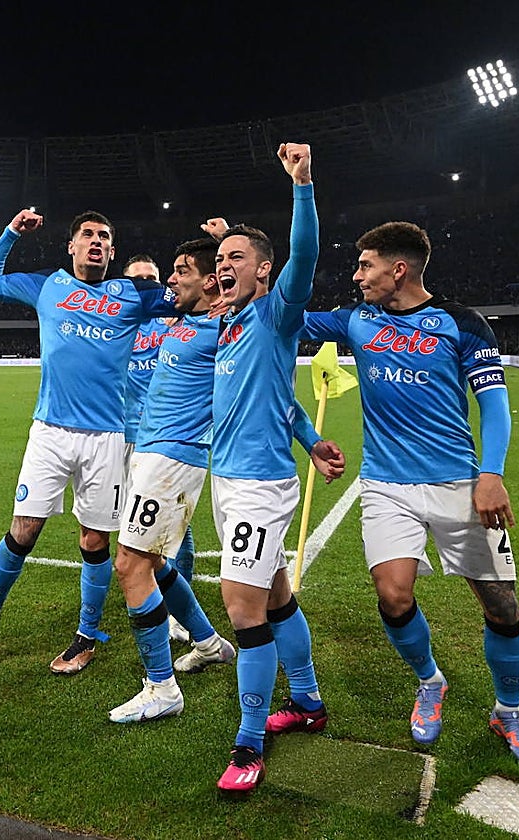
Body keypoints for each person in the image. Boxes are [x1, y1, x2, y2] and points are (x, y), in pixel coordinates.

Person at [300, 221, 519, 768]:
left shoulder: (462, 323)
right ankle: (430, 682)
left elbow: (494, 405)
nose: (357, 275)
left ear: (398, 269)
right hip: (388, 486)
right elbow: (287, 316)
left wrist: (492, 473)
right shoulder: (355, 320)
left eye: (365, 265)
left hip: (459, 483)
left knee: (502, 606)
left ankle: (508, 711)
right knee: (393, 595)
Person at [110, 237, 344, 725]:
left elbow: (274, 389)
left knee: (132, 566)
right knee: (161, 565)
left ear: (210, 284)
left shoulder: (222, 325)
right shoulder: (191, 322)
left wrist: (311, 439)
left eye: (180, 271)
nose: (170, 280)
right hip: (154, 454)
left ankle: (162, 687)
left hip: (177, 459)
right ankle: (214, 645)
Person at [0, 209, 179, 677]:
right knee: (24, 530)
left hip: (106, 438)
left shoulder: (135, 294)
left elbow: (189, 298)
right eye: (88, 235)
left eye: (105, 236)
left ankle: (86, 635)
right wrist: (10, 233)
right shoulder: (49, 285)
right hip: (50, 432)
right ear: (72, 246)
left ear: (113, 251)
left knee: (94, 539)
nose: (96, 241)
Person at [208, 143, 330, 794]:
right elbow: (278, 401)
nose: (223, 266)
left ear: (265, 270)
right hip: (226, 482)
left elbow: (304, 256)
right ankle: (308, 704)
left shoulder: (276, 315)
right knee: (277, 596)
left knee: (241, 606)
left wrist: (302, 186)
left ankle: (249, 743)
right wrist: (311, 438)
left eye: (236, 258)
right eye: (220, 259)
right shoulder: (228, 328)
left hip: (258, 485)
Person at [121, 254, 195, 644]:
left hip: (168, 434)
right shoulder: (118, 320)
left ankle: (178, 608)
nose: (148, 286)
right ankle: (144, 591)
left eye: (153, 278)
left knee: (176, 526)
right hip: (122, 434)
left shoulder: (179, 319)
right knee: (129, 524)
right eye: (138, 281)